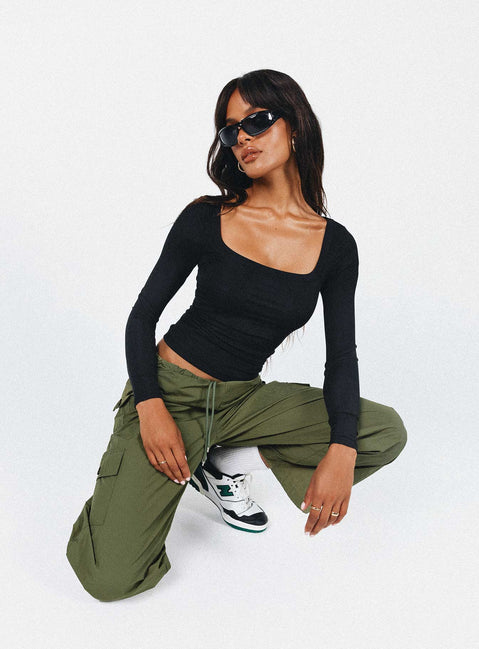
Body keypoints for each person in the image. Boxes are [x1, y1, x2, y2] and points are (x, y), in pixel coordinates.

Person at [66, 69, 407, 602]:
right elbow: (141, 317)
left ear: (295, 126)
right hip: (172, 392)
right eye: (231, 130)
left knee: (382, 431)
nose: (242, 137)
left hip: (244, 402)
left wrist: (342, 450)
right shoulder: (207, 217)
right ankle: (152, 477)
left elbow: (342, 356)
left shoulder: (336, 246)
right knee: (108, 579)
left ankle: (223, 464)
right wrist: (149, 408)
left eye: (257, 120)